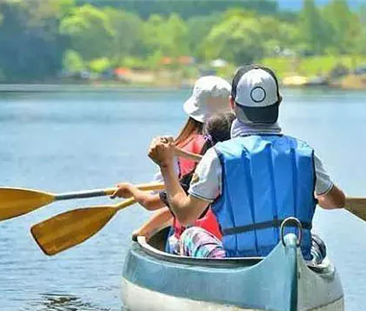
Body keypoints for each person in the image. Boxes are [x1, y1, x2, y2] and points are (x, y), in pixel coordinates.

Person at [147, 65, 346, 263]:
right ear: (279, 101)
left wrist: (166, 165)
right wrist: (312, 197)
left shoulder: (217, 157)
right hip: (295, 257)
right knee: (316, 240)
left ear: (232, 104)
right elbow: (337, 202)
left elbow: (185, 216)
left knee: (191, 234)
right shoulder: (305, 153)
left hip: (241, 263)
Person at [112, 112, 234, 258]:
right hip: (232, 245)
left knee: (182, 235)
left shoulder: (199, 177)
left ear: (205, 139)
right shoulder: (245, 170)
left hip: (200, 249)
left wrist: (131, 189)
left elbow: (151, 203)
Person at [132, 76, 231, 241]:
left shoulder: (178, 151)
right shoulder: (239, 152)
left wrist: (130, 190)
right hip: (231, 239)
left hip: (193, 240)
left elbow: (158, 202)